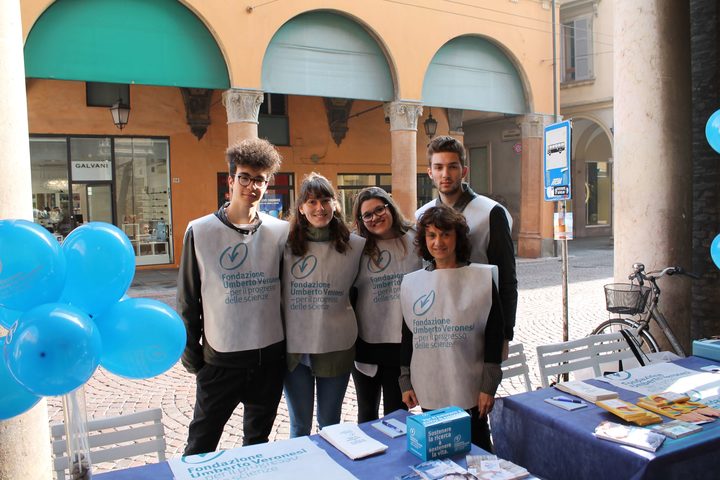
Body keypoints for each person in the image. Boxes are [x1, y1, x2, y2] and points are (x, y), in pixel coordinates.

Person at [177, 138, 288, 455]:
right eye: (245, 177)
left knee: (257, 444)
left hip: (269, 359)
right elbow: (188, 301)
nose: (251, 186)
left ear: (267, 185)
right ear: (230, 180)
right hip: (221, 361)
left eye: (259, 179)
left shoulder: (279, 232)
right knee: (200, 444)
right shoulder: (200, 230)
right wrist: (195, 359)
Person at [399, 205, 504, 452]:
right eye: (432, 235)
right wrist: (405, 381)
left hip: (471, 387)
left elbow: (494, 334)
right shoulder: (413, 284)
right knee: (437, 452)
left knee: (478, 450)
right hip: (429, 385)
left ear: (457, 237)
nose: (439, 242)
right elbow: (407, 335)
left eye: (445, 234)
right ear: (424, 240)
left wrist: (488, 386)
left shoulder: (481, 279)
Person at [416, 135, 517, 359]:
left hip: (482, 322)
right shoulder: (421, 215)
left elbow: (507, 279)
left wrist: (505, 335)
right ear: (430, 172)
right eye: (438, 167)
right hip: (436, 324)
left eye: (452, 166)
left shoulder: (491, 213)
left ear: (464, 171)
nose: (445, 174)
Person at [283, 173, 365, 437]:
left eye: (325, 200)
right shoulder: (282, 244)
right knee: (299, 426)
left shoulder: (355, 246)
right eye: (312, 202)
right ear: (301, 208)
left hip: (336, 347)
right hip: (294, 351)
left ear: (335, 204)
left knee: (330, 425)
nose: (320, 208)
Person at [351, 187, 422, 423]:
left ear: (390, 207)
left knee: (397, 416)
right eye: (367, 215)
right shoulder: (356, 247)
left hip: (402, 344)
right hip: (366, 341)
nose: (375, 217)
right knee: (366, 414)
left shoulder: (415, 239)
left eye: (379, 209)